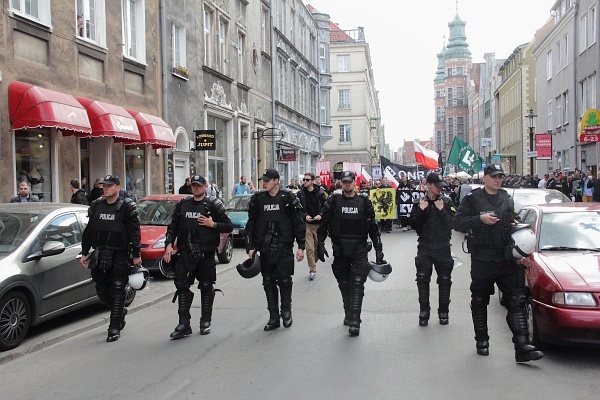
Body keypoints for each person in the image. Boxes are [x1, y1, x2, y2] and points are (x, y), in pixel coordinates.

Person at [453, 164, 543, 363]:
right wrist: (480, 219)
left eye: (500, 176)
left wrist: (515, 223)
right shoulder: (472, 199)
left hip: (506, 258)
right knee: (479, 300)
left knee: (517, 300)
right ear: (484, 178)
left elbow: (514, 218)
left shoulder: (506, 197)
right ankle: (482, 342)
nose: (498, 179)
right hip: (482, 259)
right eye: (494, 176)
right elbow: (458, 222)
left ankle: (522, 347)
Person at [163, 175, 233, 339]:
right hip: (186, 253)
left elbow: (228, 225)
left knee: (206, 286)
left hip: (205, 254)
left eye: (199, 185)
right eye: (194, 185)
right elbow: (173, 226)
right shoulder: (183, 204)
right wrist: (168, 244)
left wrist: (213, 224)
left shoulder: (213, 205)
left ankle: (205, 321)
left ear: (205, 186)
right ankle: (184, 324)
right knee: (181, 285)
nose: (196, 188)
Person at [317, 170, 385, 336]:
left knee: (357, 283)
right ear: (341, 183)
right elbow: (324, 223)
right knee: (344, 284)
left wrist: (378, 249)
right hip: (339, 248)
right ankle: (348, 313)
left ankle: (355, 320)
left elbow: (372, 226)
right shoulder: (334, 200)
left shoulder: (364, 201)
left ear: (354, 182)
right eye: (344, 182)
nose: (346, 185)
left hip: (359, 248)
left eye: (349, 182)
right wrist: (319, 243)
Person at [79, 175, 142, 342]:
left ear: (117, 187)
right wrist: (84, 252)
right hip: (100, 253)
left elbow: (135, 232)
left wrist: (136, 255)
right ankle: (120, 311)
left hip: (119, 253)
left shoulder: (127, 206)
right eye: (103, 186)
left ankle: (114, 327)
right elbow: (89, 231)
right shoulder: (96, 205)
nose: (105, 188)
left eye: (109, 186)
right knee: (101, 290)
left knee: (118, 288)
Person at [245, 168, 305, 331]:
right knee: (268, 282)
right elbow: (251, 224)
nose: (264, 183)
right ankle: (273, 316)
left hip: (284, 246)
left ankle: (286, 311)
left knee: (284, 281)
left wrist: (301, 246)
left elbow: (298, 223)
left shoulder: (288, 198)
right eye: (263, 180)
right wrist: (250, 246)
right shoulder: (257, 199)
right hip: (264, 247)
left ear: (277, 181)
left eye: (268, 180)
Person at [409, 173, 456, 326]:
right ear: (428, 184)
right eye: (436, 185)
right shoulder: (419, 202)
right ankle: (424, 312)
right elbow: (413, 225)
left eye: (441, 186)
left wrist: (442, 210)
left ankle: (444, 312)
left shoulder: (447, 201)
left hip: (443, 247)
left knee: (444, 280)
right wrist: (422, 211)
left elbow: (453, 224)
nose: (439, 188)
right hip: (425, 247)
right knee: (422, 279)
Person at [296, 172, 327, 281]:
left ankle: (314, 262)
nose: (305, 181)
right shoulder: (300, 194)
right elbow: (298, 210)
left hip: (318, 225)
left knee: (317, 249)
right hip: (307, 225)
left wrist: (320, 215)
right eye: (304, 179)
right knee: (309, 248)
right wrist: (305, 216)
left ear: (312, 181)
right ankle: (312, 270)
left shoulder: (320, 193)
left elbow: (326, 207)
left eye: (307, 180)